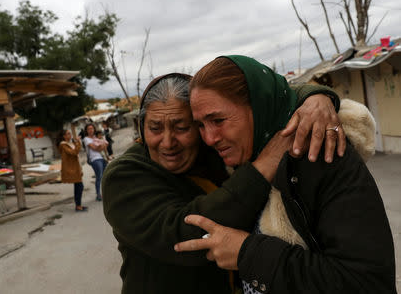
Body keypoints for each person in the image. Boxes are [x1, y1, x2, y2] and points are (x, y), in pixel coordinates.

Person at [102, 71, 354, 294]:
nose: (168, 142)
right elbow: (183, 233)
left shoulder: (213, 150)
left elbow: (266, 96)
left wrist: (315, 99)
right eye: (155, 128)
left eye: (181, 127)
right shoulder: (124, 175)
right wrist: (263, 166)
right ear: (141, 128)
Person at [174, 56, 396, 293]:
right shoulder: (239, 161)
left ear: (260, 106)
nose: (209, 138)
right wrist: (316, 95)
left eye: (218, 120)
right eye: (200, 125)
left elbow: (368, 283)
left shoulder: (323, 158)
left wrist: (248, 253)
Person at [57, 130, 87, 212]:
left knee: (78, 186)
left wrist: (76, 143)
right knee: (80, 186)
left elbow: (76, 153)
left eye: (70, 133)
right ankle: (78, 205)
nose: (70, 135)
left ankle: (78, 205)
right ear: (64, 136)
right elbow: (74, 152)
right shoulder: (63, 145)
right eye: (68, 134)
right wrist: (78, 142)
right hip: (71, 168)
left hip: (76, 167)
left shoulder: (70, 143)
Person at [83, 123, 107, 201]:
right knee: (99, 177)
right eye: (89, 129)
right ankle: (98, 195)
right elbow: (95, 148)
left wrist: (101, 146)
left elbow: (104, 146)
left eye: (92, 128)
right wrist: (101, 146)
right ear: (86, 130)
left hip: (102, 157)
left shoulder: (95, 137)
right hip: (94, 159)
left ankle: (105, 193)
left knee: (104, 176)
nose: (91, 130)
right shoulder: (86, 139)